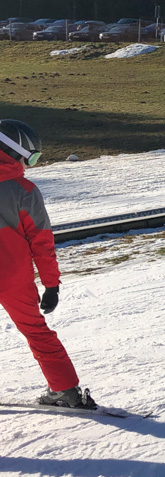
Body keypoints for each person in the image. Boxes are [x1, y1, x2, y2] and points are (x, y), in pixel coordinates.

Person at [0, 120, 96, 409]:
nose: (30, 164)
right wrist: (51, 284)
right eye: (31, 157)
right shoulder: (24, 190)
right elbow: (42, 243)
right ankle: (66, 391)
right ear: (11, 150)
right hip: (12, 276)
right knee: (37, 332)